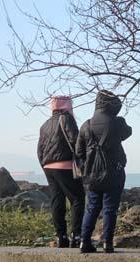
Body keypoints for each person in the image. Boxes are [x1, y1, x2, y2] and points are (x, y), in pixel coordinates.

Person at [76, 90, 132, 253]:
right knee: (109, 208)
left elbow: (79, 152)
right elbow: (128, 132)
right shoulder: (117, 123)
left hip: (92, 175)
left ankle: (84, 242)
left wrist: (86, 168)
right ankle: (107, 242)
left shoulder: (86, 125)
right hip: (114, 172)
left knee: (92, 208)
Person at [37, 96, 85, 248]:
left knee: (57, 201)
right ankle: (76, 236)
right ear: (67, 106)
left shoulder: (44, 124)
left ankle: (61, 237)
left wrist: (44, 165)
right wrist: (82, 161)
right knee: (77, 199)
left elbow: (40, 149)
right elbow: (75, 141)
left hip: (48, 167)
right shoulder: (66, 119)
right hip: (65, 165)